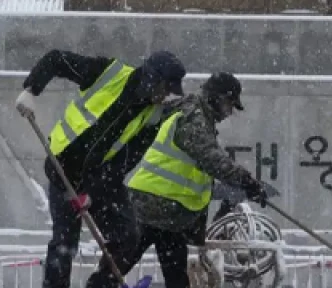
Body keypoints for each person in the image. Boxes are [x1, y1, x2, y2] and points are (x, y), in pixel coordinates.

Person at [16, 49, 188, 288]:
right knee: (65, 245)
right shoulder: (109, 73)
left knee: (128, 236)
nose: (164, 98)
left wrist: (92, 193)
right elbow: (56, 59)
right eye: (163, 90)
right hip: (63, 168)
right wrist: (31, 90)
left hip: (102, 177)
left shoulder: (154, 115)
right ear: (151, 79)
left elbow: (126, 160)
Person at [86, 72, 268, 288]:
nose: (229, 112)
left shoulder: (190, 111)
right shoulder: (194, 117)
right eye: (229, 104)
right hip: (152, 207)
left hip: (168, 214)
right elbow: (211, 159)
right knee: (117, 268)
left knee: (164, 276)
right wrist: (247, 182)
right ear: (216, 98)